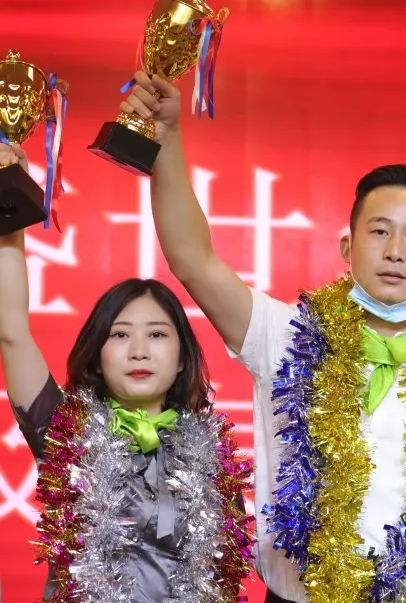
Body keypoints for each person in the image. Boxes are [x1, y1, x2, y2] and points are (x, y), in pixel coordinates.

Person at [120, 73, 406, 603]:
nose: (394, 250)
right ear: (347, 247)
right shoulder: (287, 333)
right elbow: (193, 260)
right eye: (379, 231)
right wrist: (168, 138)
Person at [0, 143, 252, 602]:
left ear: (182, 357)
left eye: (157, 335)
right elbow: (12, 332)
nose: (139, 351)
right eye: (119, 335)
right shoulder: (66, 431)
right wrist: (7, 201)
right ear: (97, 356)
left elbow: (227, 581)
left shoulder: (215, 456)